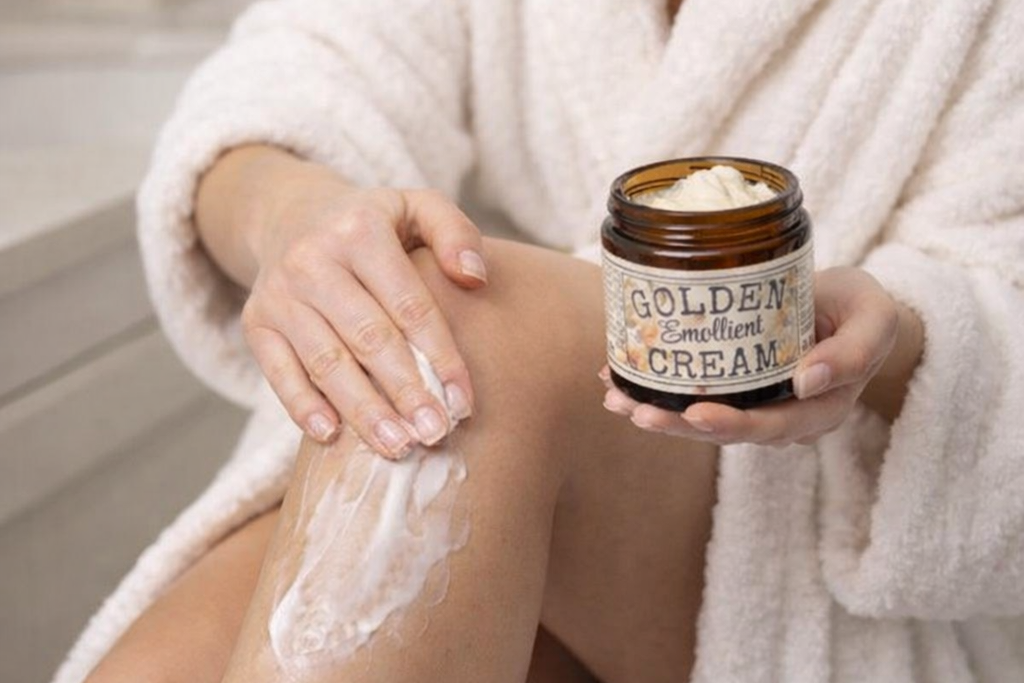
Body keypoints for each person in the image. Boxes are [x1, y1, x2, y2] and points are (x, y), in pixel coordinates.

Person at [55, 0, 1024, 681]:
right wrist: (295, 216)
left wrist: (895, 345)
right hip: (511, 466)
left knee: (467, 336)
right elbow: (295, 73)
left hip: (807, 559)